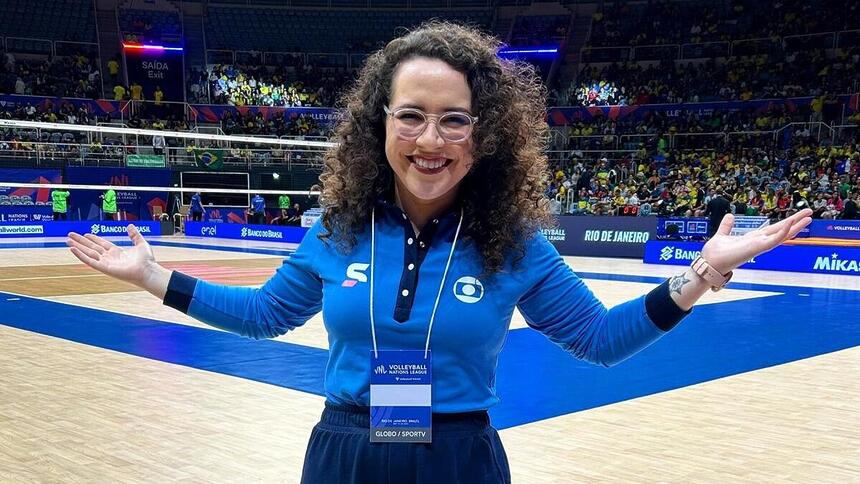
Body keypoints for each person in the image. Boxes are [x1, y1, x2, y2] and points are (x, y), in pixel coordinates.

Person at [66, 21, 812, 484]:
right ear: (378, 124)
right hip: (344, 455)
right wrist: (155, 276)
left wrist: (706, 270)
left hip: (458, 461)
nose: (431, 141)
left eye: (454, 120)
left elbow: (599, 339)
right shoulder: (336, 230)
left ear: (484, 134)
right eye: (412, 116)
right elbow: (264, 317)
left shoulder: (514, 243)